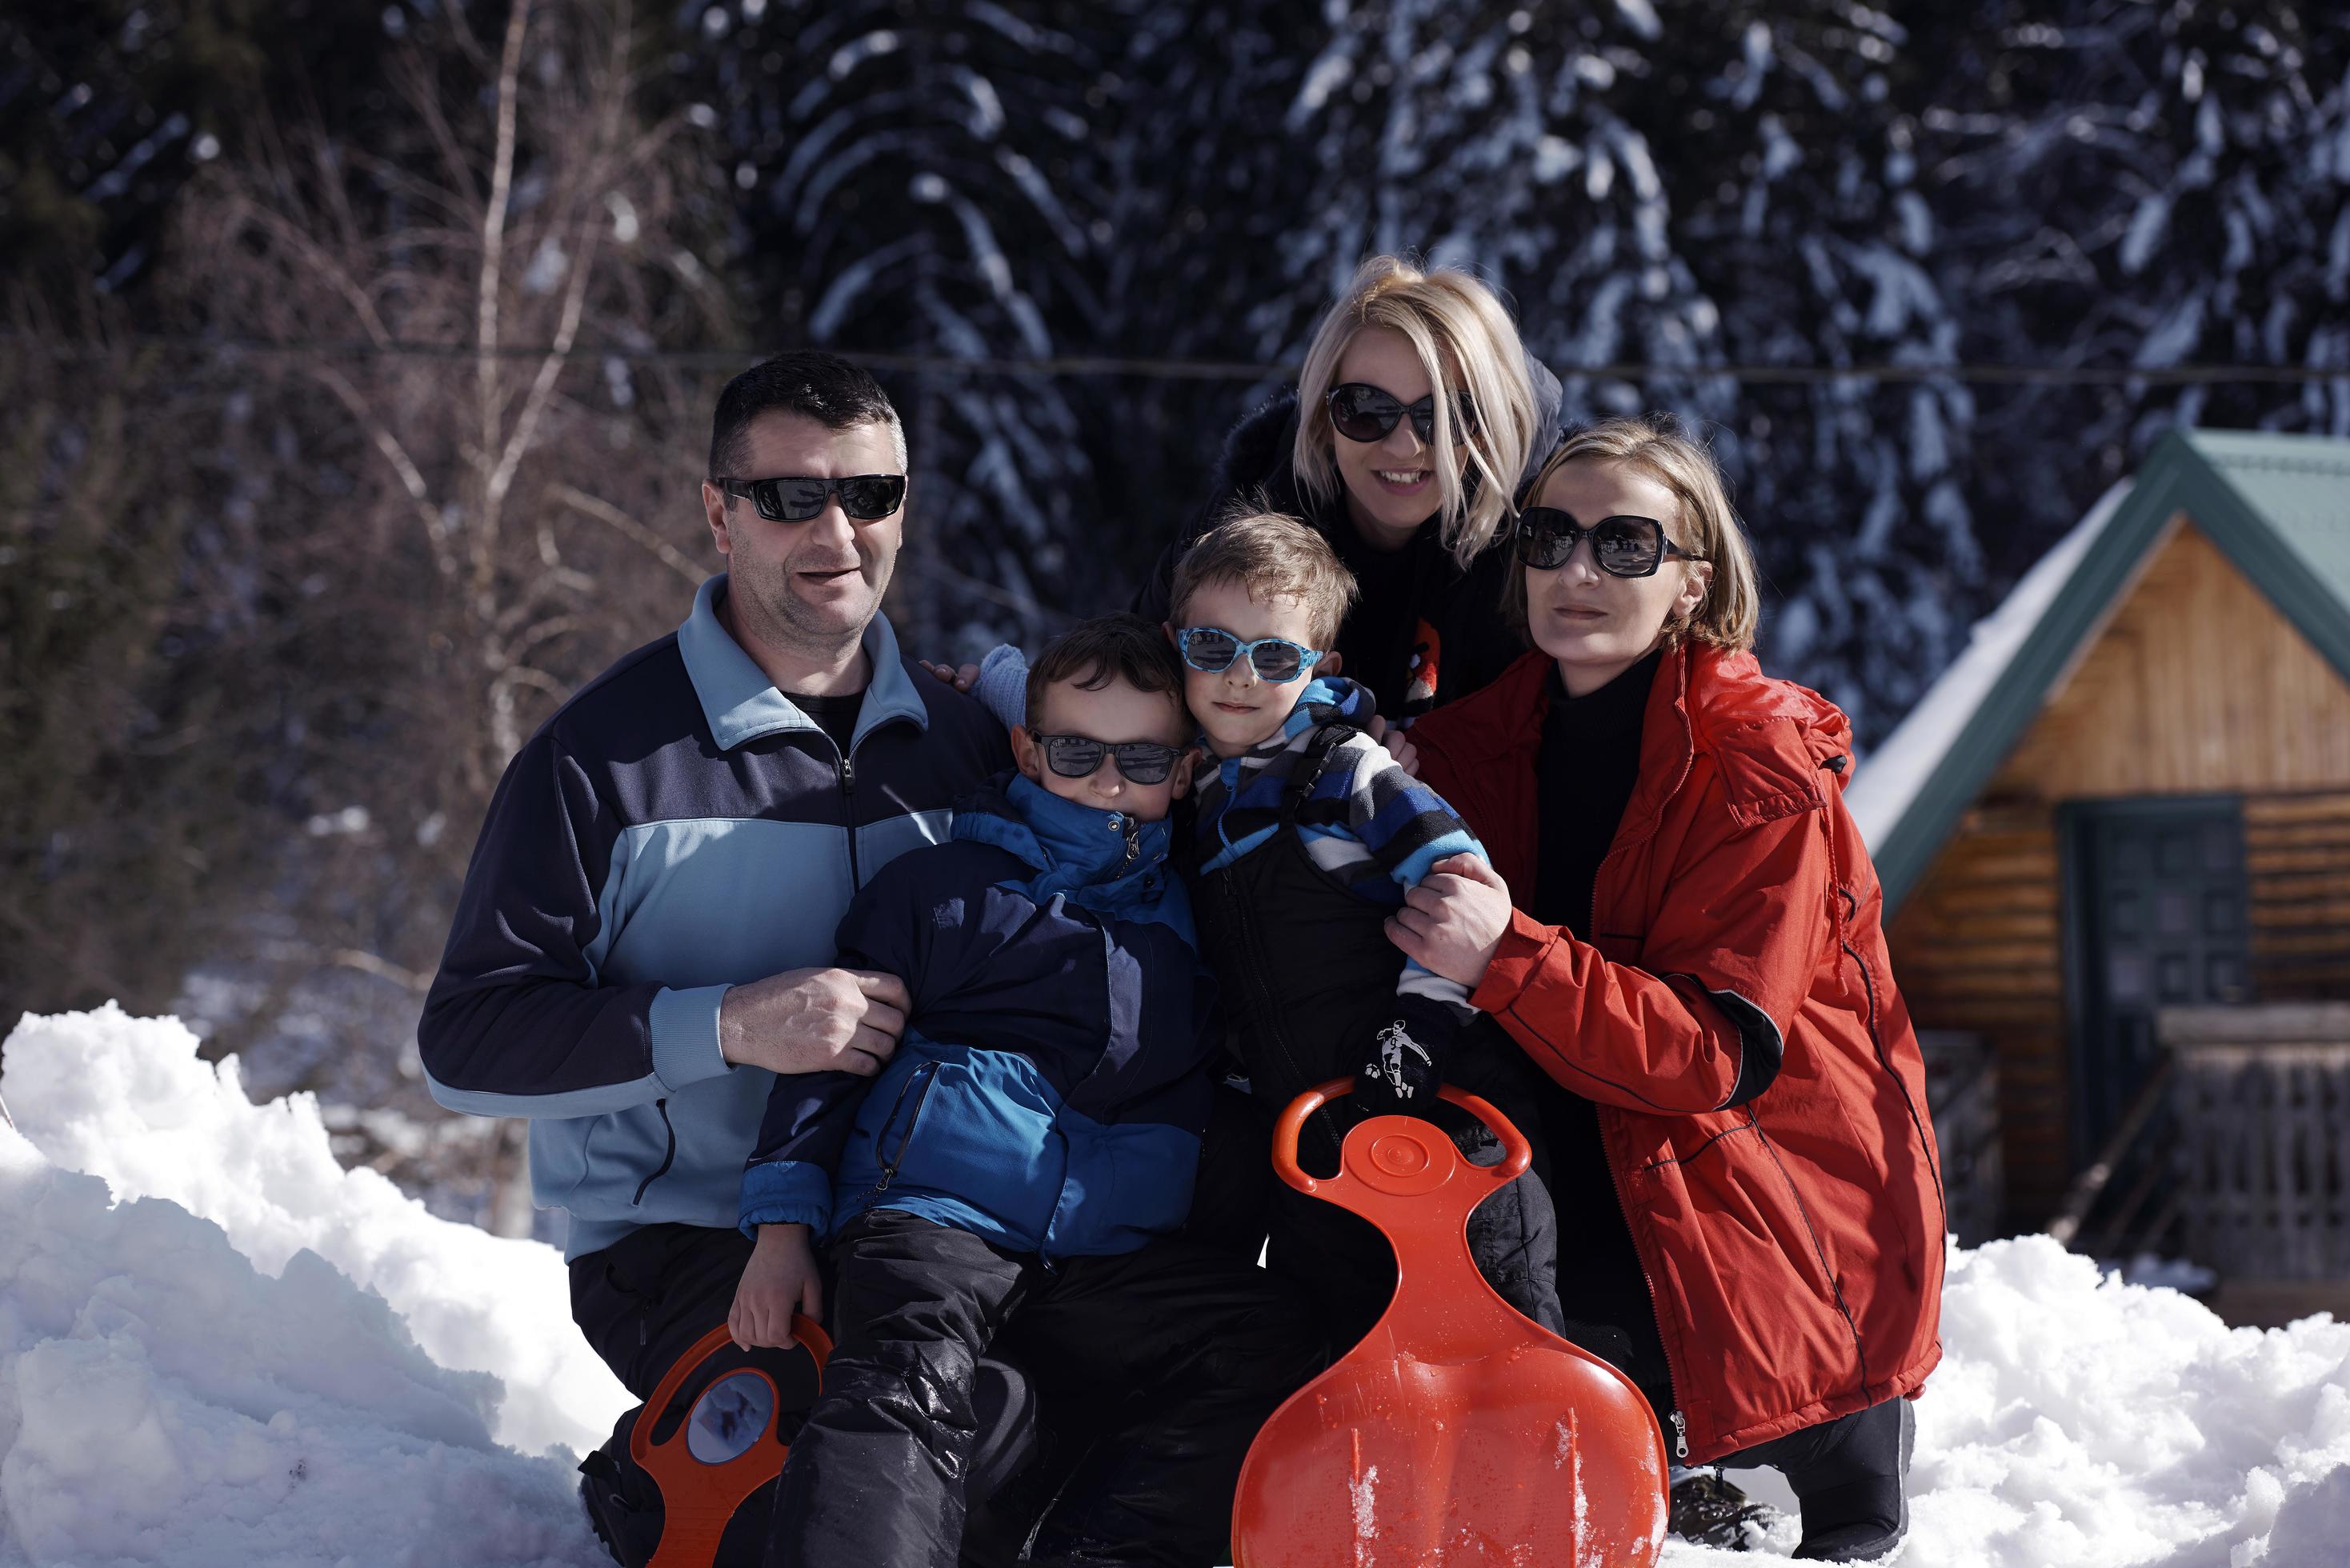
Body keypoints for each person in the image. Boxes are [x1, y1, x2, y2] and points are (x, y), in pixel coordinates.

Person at [415, 351, 1039, 1563]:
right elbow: (466, 1041)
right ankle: (659, 1492)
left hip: (918, 1218)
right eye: (789, 497)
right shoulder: (603, 758)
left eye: (870, 494)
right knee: (848, 1464)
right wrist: (727, 1027)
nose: (837, 531)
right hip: (682, 1242)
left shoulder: (970, 745)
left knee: (1046, 1426)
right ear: (718, 512)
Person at [1398, 415, 1945, 1562]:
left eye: (1625, 546)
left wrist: (1504, 954)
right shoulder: (1465, 753)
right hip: (1575, 1162)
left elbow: (1706, 1059)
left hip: (1761, 1194)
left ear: (1692, 582)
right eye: (1550, 538)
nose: (1577, 571)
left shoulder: (1754, 769)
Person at [726, 614, 1317, 1568]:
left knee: (1269, 1343)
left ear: (1182, 768)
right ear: (1029, 753)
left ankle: (1094, 1550)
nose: (1108, 780)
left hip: (1106, 1253)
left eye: (1139, 757)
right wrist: (782, 1228)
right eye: (1078, 751)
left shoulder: (1201, 914)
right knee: (901, 1385)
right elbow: (830, 1057)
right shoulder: (946, 888)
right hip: (936, 1217)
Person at [1172, 510, 1564, 1355]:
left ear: (1320, 665)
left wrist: (1420, 1024)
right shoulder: (1197, 786)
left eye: (1273, 656)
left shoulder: (1348, 769)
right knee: (1355, 1343)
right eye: (1212, 648)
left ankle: (1556, 1477)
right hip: (1315, 1137)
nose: (1240, 677)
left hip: (1434, 1112)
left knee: (1484, 1332)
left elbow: (1458, 878)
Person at [1131, 254, 1563, 726]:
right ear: (1321, 417)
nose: (1404, 447)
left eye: (1445, 415)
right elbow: (1130, 680)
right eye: (1365, 408)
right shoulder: (1245, 525)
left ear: (1489, 425)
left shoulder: (1545, 542)